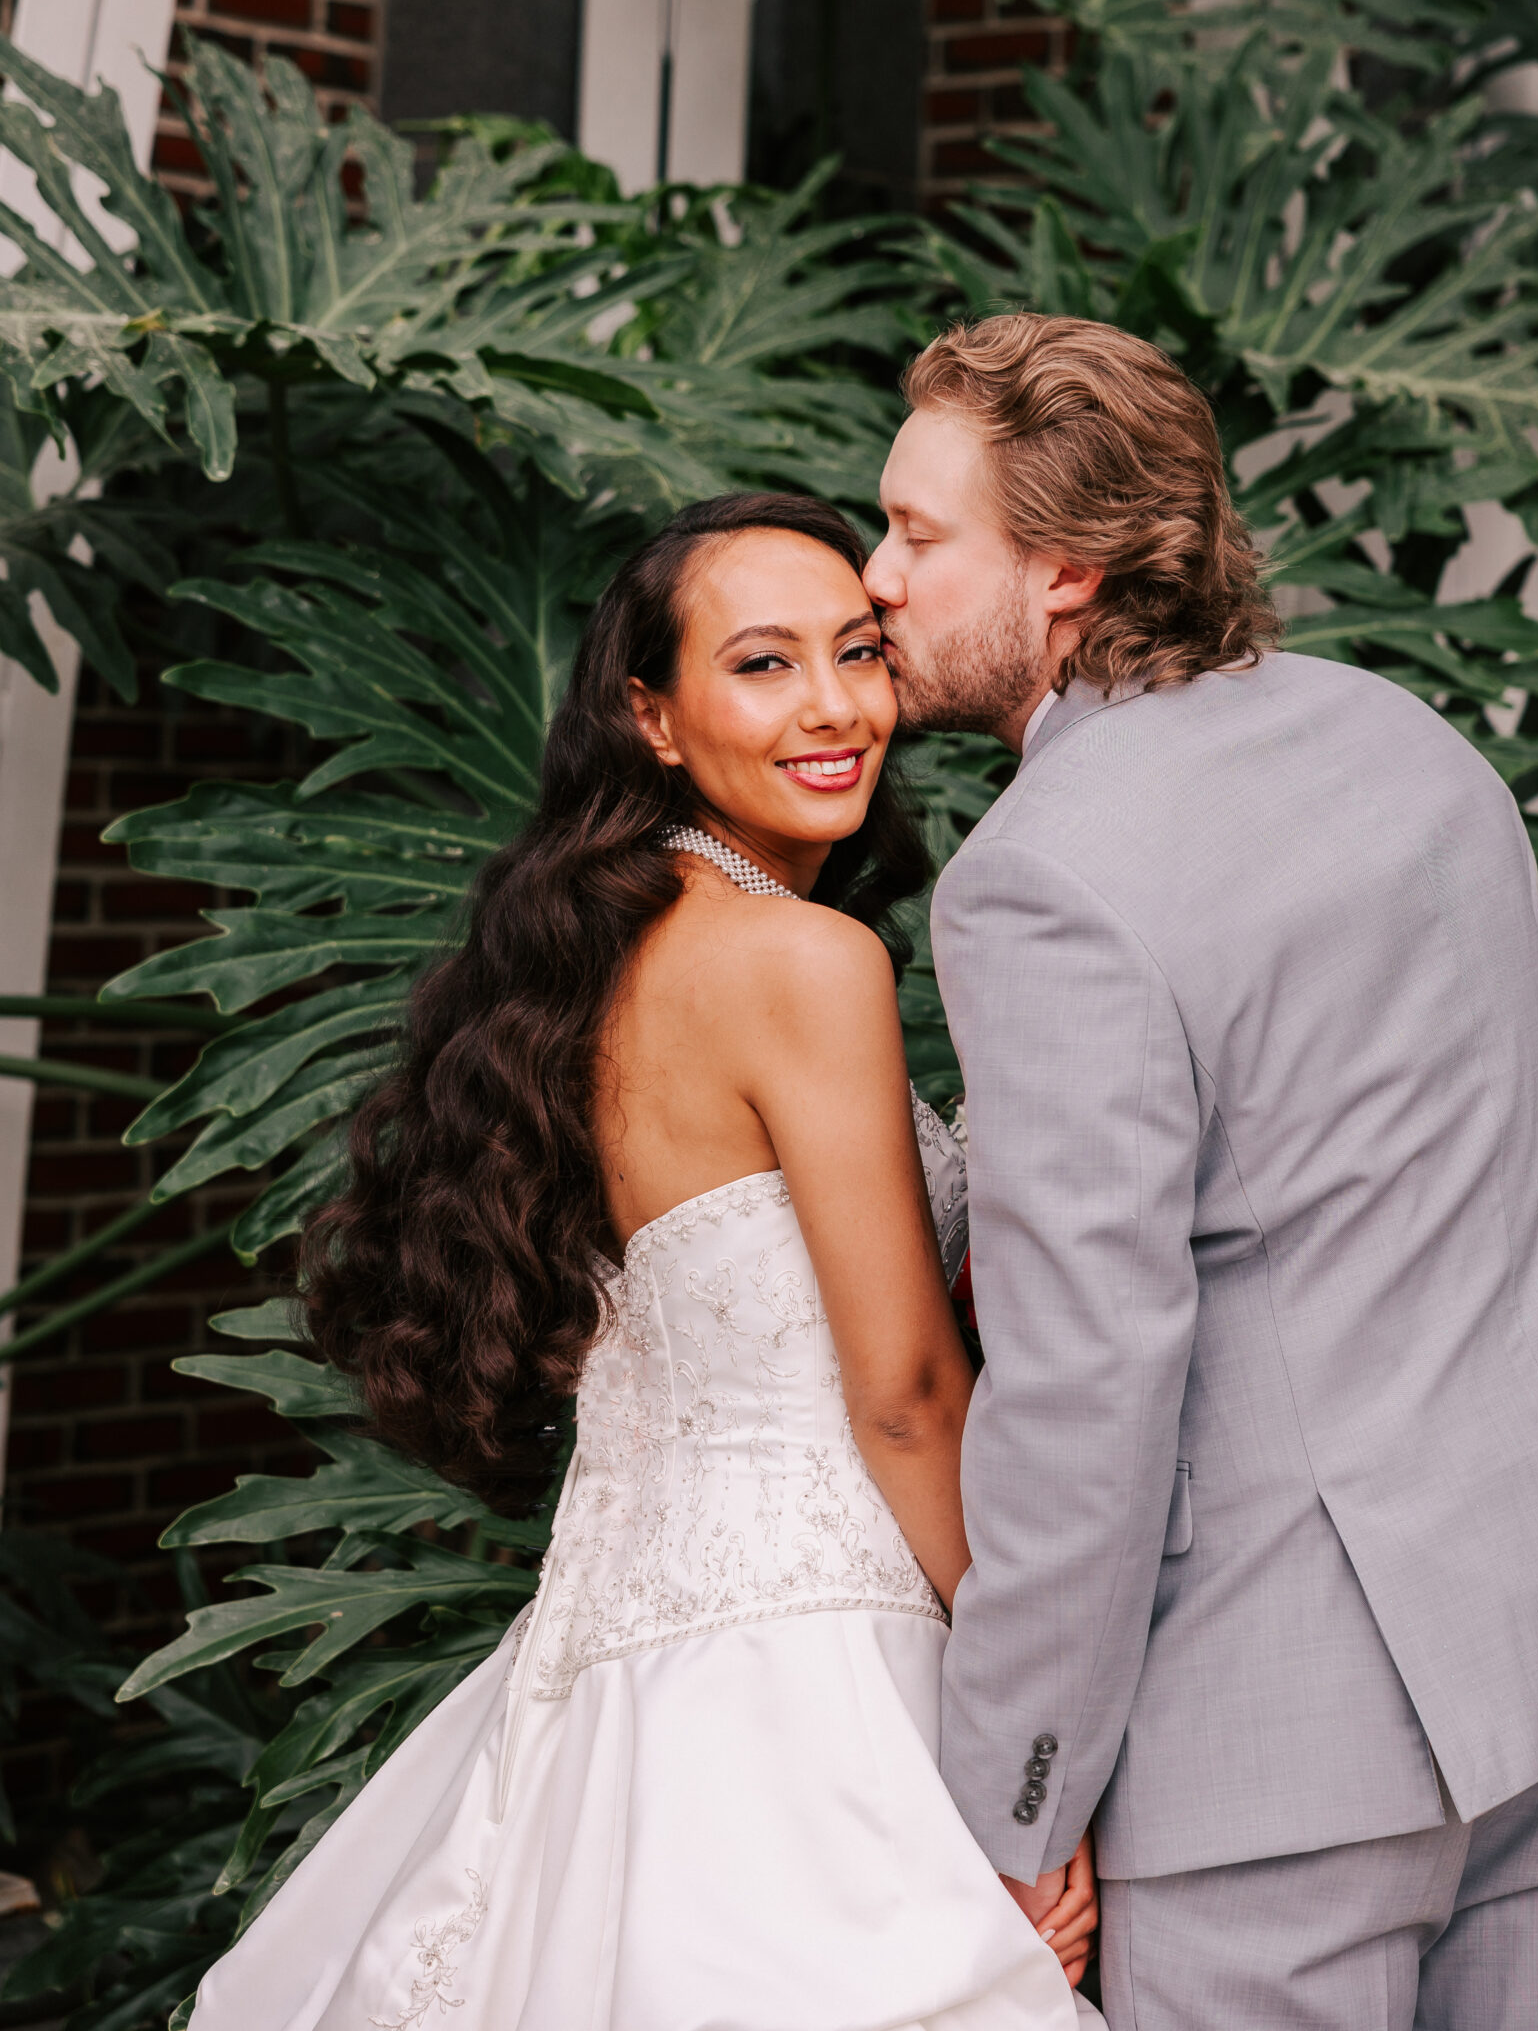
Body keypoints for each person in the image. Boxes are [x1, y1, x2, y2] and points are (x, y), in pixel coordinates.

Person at [863, 310, 1538, 2031]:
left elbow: (1091, 1383)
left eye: (919, 536)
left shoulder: (1041, 880)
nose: (875, 573)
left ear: (1070, 574)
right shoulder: (1413, 742)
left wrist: (1015, 1810)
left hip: (1287, 1740)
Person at [185, 492, 1097, 2031]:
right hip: (825, 1654)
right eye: (762, 666)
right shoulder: (806, 963)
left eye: (858, 653)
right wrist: (1029, 1723)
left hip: (610, 1661)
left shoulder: (592, 960)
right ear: (652, 717)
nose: (833, 708)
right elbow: (903, 1393)